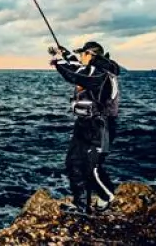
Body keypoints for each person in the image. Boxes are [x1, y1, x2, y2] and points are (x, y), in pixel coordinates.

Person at [48, 41, 121, 214]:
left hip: (99, 127)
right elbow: (77, 66)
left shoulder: (101, 74)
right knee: (73, 163)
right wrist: (64, 52)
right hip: (83, 125)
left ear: (91, 55)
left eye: (83, 54)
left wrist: (58, 62)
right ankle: (81, 205)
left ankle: (108, 197)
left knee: (91, 168)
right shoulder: (92, 70)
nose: (81, 57)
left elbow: (76, 73)